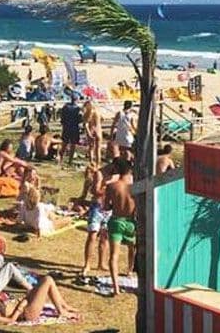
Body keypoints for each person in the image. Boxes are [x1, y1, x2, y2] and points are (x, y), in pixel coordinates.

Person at [0, 275, 79, 324]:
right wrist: (20, 308)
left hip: (24, 303)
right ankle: (62, 311)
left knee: (46, 282)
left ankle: (64, 306)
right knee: (47, 280)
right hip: (26, 313)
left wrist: (23, 300)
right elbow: (10, 320)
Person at [105, 158, 136, 296]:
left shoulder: (112, 186)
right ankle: (130, 271)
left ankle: (116, 288)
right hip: (131, 221)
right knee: (132, 249)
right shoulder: (135, 186)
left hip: (116, 220)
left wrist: (114, 205)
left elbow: (106, 206)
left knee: (114, 255)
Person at [79, 163, 111, 277]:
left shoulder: (117, 176)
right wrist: (108, 189)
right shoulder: (100, 174)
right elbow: (95, 191)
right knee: (92, 235)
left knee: (104, 237)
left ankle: (101, 263)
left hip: (108, 209)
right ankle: (87, 264)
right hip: (97, 207)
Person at [59, 96, 82, 166]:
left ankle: (60, 159)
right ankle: (70, 161)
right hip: (74, 128)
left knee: (64, 143)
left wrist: (64, 124)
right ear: (77, 100)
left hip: (66, 127)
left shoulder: (65, 107)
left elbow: (62, 118)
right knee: (73, 145)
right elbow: (80, 119)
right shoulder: (78, 109)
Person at [83, 101, 103, 165]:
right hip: (98, 130)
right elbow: (102, 119)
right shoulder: (98, 112)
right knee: (98, 149)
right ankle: (98, 163)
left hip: (91, 130)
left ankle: (91, 162)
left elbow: (85, 125)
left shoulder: (87, 114)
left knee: (91, 148)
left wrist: (88, 133)